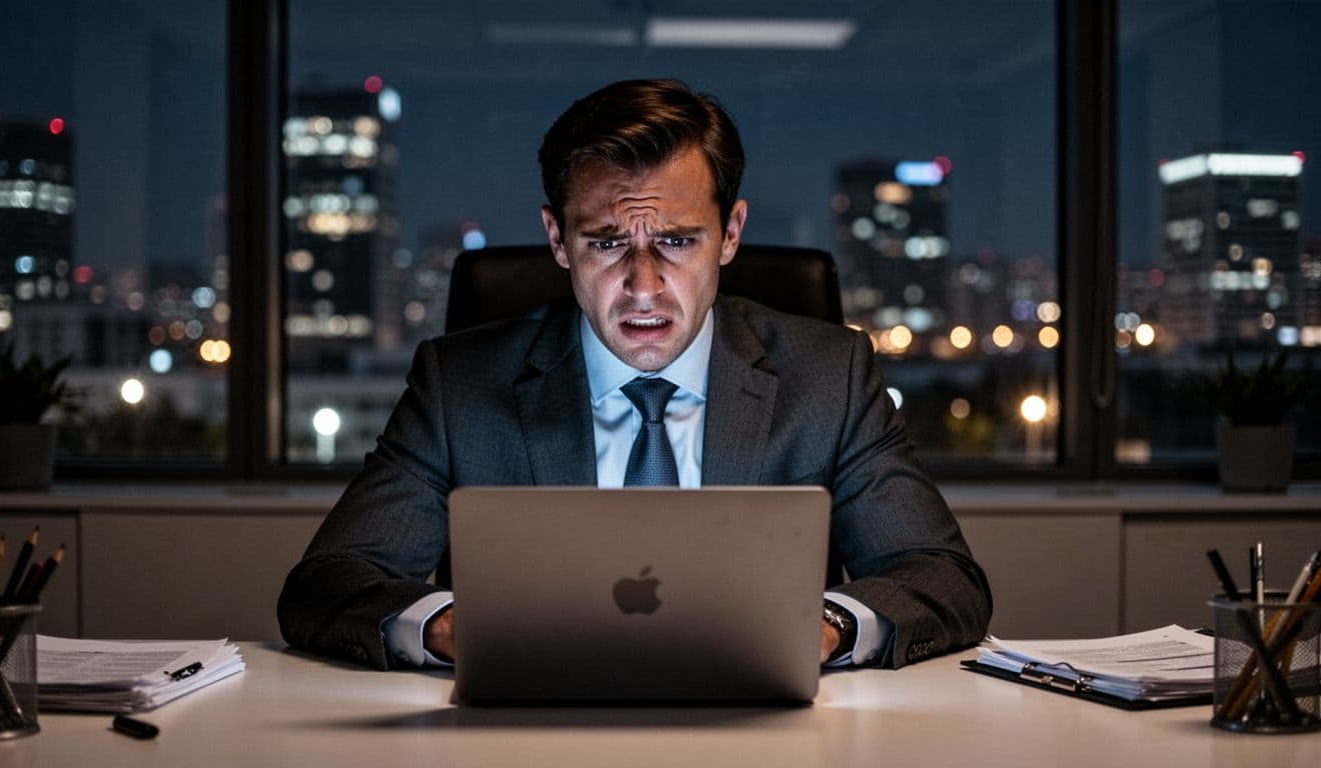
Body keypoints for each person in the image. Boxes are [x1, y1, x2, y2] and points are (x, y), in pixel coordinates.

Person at [277, 78, 991, 671]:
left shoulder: (827, 377)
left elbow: (938, 574)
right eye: (608, 241)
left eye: (677, 241)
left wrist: (827, 624)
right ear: (558, 239)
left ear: (731, 233)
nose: (643, 285)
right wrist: (447, 627)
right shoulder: (460, 384)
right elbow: (328, 583)